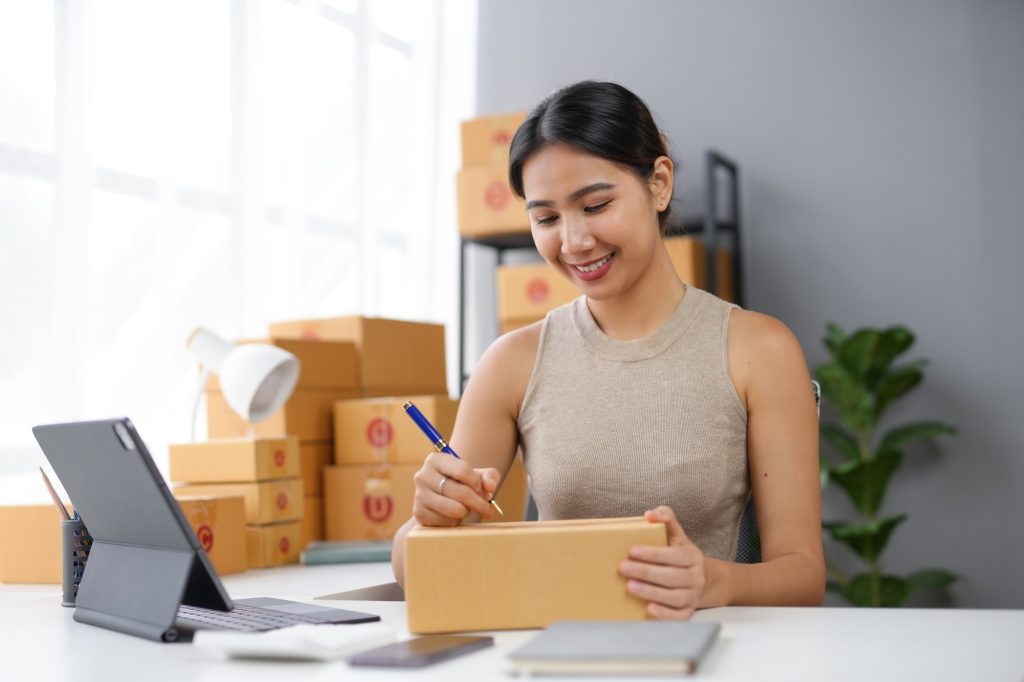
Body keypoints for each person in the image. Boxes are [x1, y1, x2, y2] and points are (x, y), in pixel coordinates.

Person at [391, 81, 824, 617]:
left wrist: (711, 581)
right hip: (553, 655)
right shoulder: (511, 362)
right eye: (546, 218)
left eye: (595, 205)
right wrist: (430, 522)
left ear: (659, 184)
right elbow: (416, 569)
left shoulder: (759, 349)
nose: (572, 241)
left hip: (710, 654)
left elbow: (803, 574)